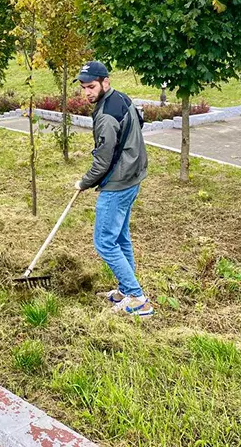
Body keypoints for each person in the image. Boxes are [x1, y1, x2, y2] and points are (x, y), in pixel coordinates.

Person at [73, 61, 152, 317]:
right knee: (119, 237)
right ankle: (125, 291)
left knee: (105, 241)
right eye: (84, 87)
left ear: (105, 82)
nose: (87, 92)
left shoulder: (106, 115)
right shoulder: (121, 98)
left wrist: (84, 182)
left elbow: (103, 160)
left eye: (91, 86)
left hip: (119, 182)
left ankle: (138, 299)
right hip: (133, 175)